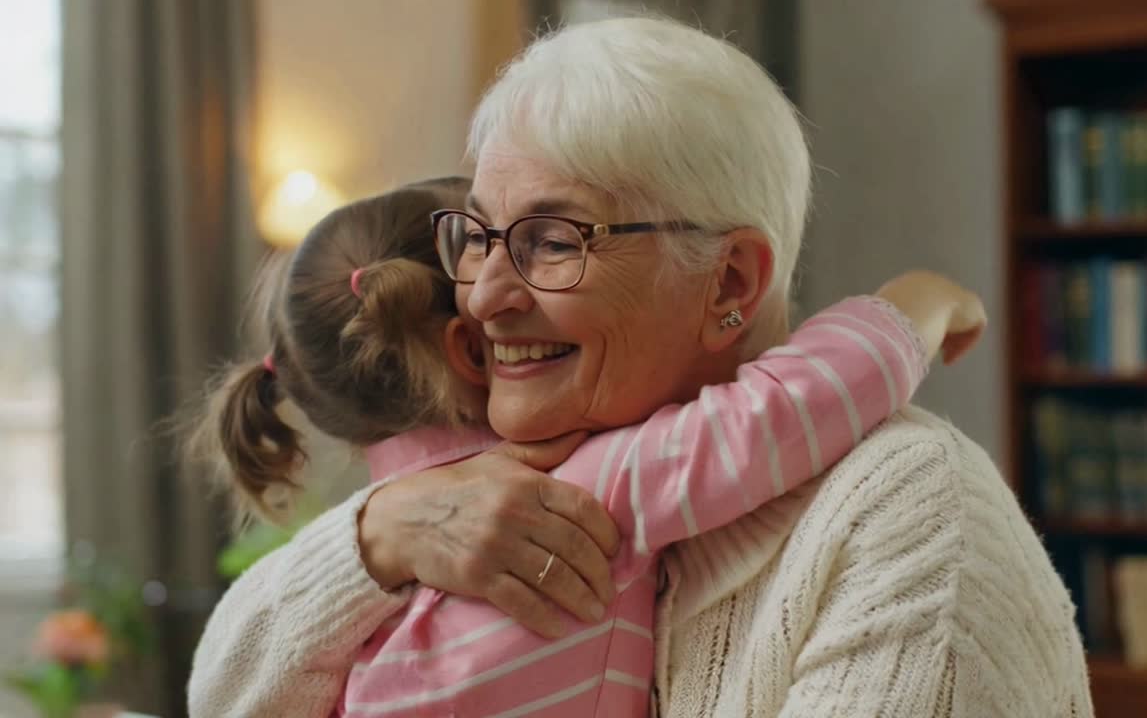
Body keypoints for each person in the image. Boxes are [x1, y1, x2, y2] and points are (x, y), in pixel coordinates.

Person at [189, 16, 1092, 718]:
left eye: (551, 241)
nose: (482, 297)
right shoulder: (461, 503)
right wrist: (372, 540)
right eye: (476, 238)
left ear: (729, 279)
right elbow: (225, 693)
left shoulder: (908, 511)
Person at [190, 171, 982, 714]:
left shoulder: (361, 614)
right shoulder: (567, 488)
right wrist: (916, 301)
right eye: (519, 250)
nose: (532, 281)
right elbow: (790, 404)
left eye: (550, 245)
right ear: (480, 343)